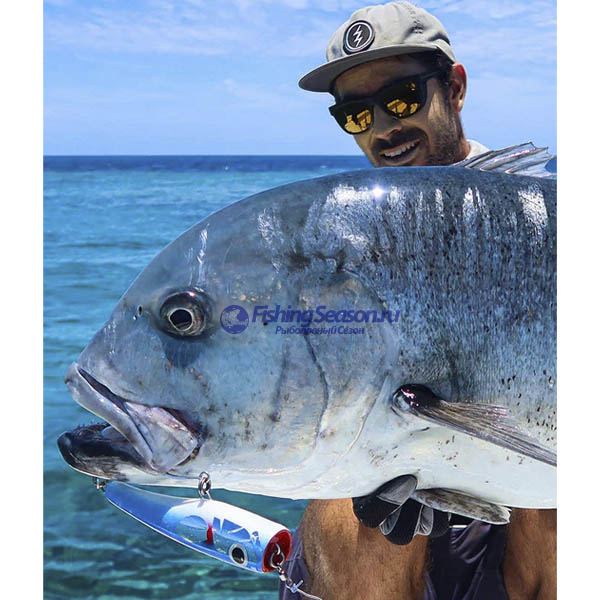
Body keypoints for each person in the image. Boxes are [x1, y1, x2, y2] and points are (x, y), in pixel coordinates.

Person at [278, 3, 556, 599]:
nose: (382, 128)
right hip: (406, 473)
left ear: (454, 88)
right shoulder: (350, 231)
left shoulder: (542, 217)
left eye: (401, 98)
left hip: (524, 494)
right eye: (356, 114)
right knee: (355, 503)